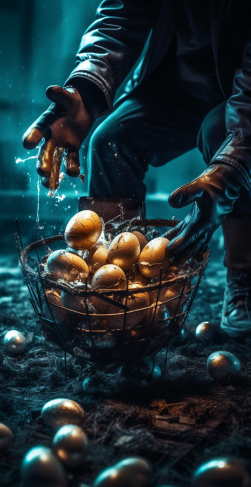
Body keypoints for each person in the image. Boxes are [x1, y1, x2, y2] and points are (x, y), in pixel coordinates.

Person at [22, 0, 251, 339]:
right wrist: (85, 90)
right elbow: (120, 16)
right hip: (174, 86)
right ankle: (113, 284)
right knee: (111, 140)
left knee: (224, 138)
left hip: (241, 94)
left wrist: (233, 161)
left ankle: (243, 277)